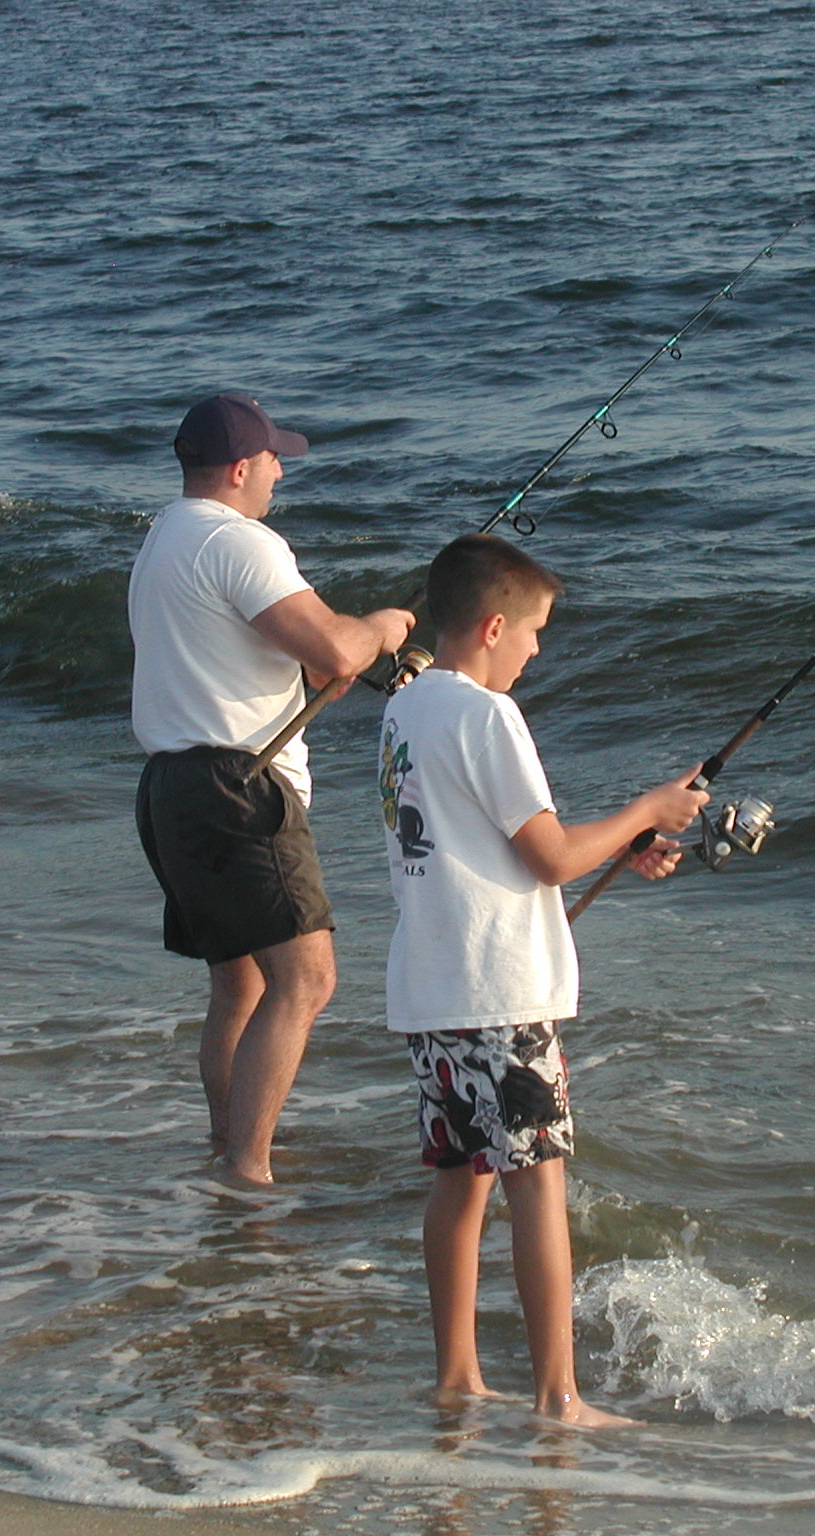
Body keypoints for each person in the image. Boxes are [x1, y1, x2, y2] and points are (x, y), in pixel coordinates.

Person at [377, 532, 707, 1426]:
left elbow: (489, 843)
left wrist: (623, 847)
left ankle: (457, 1378)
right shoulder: (489, 718)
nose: (537, 649)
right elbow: (552, 856)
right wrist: (647, 808)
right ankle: (559, 1397)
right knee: (538, 1186)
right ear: (491, 626)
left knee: (459, 1179)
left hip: (434, 990)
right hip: (500, 996)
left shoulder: (406, 711)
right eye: (533, 632)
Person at [131, 391, 414, 1187]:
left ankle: (229, 1150)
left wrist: (335, 665)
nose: (281, 472)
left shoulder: (162, 541)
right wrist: (385, 627)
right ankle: (248, 1174)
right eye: (274, 458)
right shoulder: (240, 542)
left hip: (170, 787)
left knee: (241, 982)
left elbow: (306, 667)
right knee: (308, 978)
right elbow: (337, 647)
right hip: (237, 787)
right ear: (239, 467)